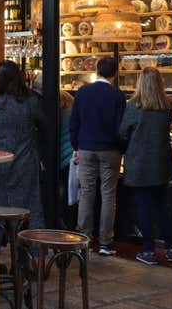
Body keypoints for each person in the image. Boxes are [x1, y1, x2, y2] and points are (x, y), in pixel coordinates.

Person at [118, 67, 172, 266]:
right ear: (160, 82)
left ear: (140, 84)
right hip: (161, 162)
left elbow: (123, 133)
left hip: (139, 163)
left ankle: (148, 250)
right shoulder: (169, 105)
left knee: (144, 206)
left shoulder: (133, 106)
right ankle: (171, 248)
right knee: (163, 206)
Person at [69, 56, 126, 256]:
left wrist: (76, 146)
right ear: (115, 74)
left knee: (86, 192)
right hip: (110, 149)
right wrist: (122, 148)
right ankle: (105, 243)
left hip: (86, 147)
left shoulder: (83, 92)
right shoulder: (118, 95)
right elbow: (121, 127)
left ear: (97, 71)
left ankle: (84, 238)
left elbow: (74, 122)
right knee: (108, 194)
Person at [0, 61, 46, 235]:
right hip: (25, 163)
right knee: (31, 206)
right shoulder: (31, 102)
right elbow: (44, 125)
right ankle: (32, 244)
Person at [57, 90, 76, 230]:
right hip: (71, 158)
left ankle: (59, 220)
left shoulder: (56, 115)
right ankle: (69, 223)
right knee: (71, 193)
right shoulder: (73, 114)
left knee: (60, 190)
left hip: (58, 158)